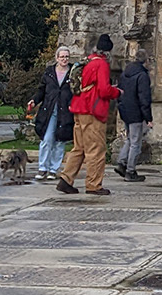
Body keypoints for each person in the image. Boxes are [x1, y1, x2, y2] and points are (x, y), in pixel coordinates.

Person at [54, 34, 120, 196]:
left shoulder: (87, 61)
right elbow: (104, 90)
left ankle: (66, 179)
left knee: (79, 148)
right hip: (92, 111)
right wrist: (117, 91)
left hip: (79, 108)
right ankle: (93, 184)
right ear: (107, 52)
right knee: (96, 149)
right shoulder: (101, 64)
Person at [28, 46, 74, 181]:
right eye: (62, 57)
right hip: (49, 110)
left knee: (60, 141)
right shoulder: (49, 73)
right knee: (47, 139)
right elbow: (41, 90)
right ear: (57, 58)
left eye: (66, 56)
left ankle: (53, 169)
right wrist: (34, 100)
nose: (64, 59)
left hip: (65, 111)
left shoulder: (73, 72)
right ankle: (43, 168)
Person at [114, 42, 153, 182]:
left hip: (125, 110)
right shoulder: (142, 76)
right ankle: (130, 171)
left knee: (130, 139)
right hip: (136, 112)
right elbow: (144, 98)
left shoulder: (126, 73)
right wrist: (148, 117)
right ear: (145, 61)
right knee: (136, 142)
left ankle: (121, 162)